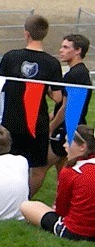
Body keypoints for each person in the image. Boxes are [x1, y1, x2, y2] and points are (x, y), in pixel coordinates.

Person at [0, 14, 62, 198]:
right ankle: (24, 200)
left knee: (7, 163)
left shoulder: (11, 57)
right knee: (38, 168)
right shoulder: (52, 63)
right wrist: (44, 87)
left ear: (26, 33)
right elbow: (58, 97)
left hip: (11, 121)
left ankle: (6, 198)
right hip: (37, 123)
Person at [20, 125, 95, 242]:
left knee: (27, 206)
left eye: (68, 142)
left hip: (76, 232)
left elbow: (61, 210)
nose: (64, 146)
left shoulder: (71, 171)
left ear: (83, 147)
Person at [45, 34, 92, 178]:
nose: (60, 50)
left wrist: (51, 127)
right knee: (64, 172)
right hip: (72, 128)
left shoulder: (75, 75)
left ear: (78, 50)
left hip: (67, 129)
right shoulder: (79, 72)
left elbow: (66, 107)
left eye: (65, 47)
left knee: (40, 168)